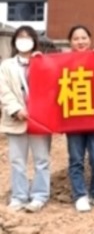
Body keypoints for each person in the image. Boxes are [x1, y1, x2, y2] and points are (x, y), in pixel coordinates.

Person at [0, 26, 51, 213]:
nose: (24, 40)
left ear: (34, 41)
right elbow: (3, 90)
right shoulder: (6, 66)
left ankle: (40, 195)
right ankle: (19, 196)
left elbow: (53, 86)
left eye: (28, 37)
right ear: (14, 41)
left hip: (39, 120)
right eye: (20, 37)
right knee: (17, 161)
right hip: (16, 120)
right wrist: (16, 109)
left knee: (41, 160)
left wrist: (42, 63)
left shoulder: (43, 62)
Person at [64, 25, 94, 212]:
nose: (80, 42)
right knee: (76, 159)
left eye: (84, 38)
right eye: (76, 38)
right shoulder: (63, 62)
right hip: (74, 120)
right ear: (70, 42)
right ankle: (80, 195)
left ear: (90, 40)